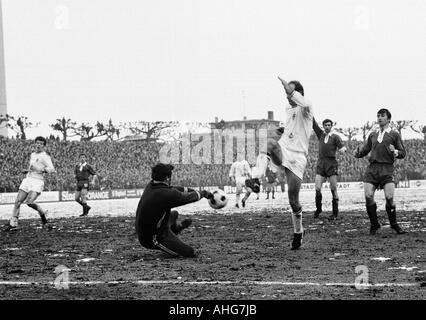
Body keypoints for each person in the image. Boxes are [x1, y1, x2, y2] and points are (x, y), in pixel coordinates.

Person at [257, 77, 314, 250]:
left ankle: (298, 232)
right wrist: (280, 131)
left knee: (293, 201)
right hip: (284, 150)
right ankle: (256, 178)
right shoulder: (288, 108)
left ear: (299, 93)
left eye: (291, 92)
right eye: (286, 93)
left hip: (297, 157)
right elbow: (290, 128)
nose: (287, 96)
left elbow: (302, 109)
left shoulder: (307, 106)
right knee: (269, 143)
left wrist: (290, 91)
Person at [135, 163, 213, 258]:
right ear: (167, 178)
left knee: (174, 214)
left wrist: (194, 191)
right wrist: (203, 193)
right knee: (189, 253)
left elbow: (176, 189)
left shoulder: (151, 185)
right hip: (151, 238)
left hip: (151, 228)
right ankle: (172, 234)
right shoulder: (166, 194)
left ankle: (175, 229)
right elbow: (188, 197)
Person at [354, 108, 407, 235]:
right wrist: (358, 154)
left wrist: (395, 151)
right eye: (378, 116)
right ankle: (374, 224)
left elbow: (403, 153)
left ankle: (394, 224)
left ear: (388, 119)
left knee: (389, 198)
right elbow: (365, 150)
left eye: (382, 116)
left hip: (387, 168)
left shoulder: (394, 134)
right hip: (372, 169)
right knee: (368, 196)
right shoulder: (373, 134)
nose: (379, 118)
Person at [4, 136, 56, 231]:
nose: (38, 145)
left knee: (29, 202)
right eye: (37, 143)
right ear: (35, 144)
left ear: (44, 146)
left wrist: (42, 169)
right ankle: (13, 224)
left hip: (37, 181)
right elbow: (32, 167)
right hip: (28, 179)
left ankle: (43, 216)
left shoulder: (45, 156)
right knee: (17, 201)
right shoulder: (32, 155)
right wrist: (27, 171)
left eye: (41, 143)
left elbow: (52, 169)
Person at [312, 118, 347, 219]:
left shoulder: (335, 137)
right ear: (323, 126)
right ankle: (318, 209)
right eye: (325, 125)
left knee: (333, 188)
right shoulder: (321, 135)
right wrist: (309, 111)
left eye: (329, 125)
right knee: (317, 188)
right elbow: (314, 125)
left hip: (331, 164)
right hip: (321, 163)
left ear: (331, 126)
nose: (327, 127)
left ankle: (335, 213)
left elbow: (342, 147)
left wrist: (343, 150)